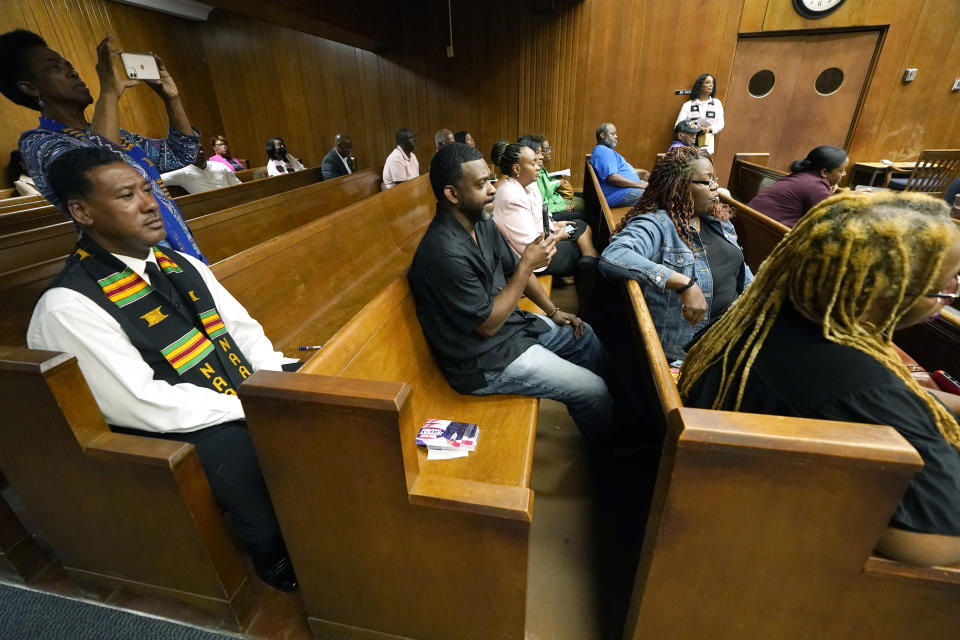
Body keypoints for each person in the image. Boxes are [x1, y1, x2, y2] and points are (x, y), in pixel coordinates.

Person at [28, 147, 299, 591]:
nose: (151, 204)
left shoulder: (181, 264)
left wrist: (273, 380)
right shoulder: (68, 305)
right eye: (126, 196)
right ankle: (274, 553)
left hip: (235, 395)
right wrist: (248, 407)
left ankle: (325, 519)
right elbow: (138, 401)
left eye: (147, 189)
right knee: (234, 448)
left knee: (319, 393)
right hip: (166, 429)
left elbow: (242, 332)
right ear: (82, 211)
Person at [679, 191, 960, 567]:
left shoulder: (759, 320)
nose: (950, 294)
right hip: (789, 568)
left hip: (726, 508)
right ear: (875, 292)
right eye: (944, 286)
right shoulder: (861, 388)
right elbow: (935, 546)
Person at [408, 143, 613, 442]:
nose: (493, 189)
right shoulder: (443, 253)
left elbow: (516, 265)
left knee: (585, 335)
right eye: (481, 184)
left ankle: (617, 410)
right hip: (484, 361)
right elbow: (488, 325)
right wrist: (525, 266)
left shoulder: (481, 222)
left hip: (512, 328)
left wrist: (554, 311)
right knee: (593, 390)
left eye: (490, 179)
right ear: (452, 194)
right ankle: (608, 461)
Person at [0, 29, 205, 261]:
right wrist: (108, 92)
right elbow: (103, 178)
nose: (72, 72)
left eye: (69, 65)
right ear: (30, 88)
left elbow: (181, 153)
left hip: (176, 249)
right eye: (54, 67)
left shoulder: (120, 137)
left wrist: (172, 99)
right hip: (129, 262)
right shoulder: (39, 144)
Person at [599, 147, 753, 363]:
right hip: (690, 348)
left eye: (714, 178)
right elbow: (615, 254)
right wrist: (684, 284)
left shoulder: (718, 220)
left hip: (733, 329)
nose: (716, 187)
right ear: (679, 186)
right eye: (707, 181)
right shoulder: (657, 224)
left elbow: (740, 270)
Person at [494, 142, 599, 312]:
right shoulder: (510, 195)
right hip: (530, 260)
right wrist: (558, 235)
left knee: (578, 226)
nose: (538, 166)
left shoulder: (529, 184)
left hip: (543, 241)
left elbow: (540, 214)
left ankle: (589, 260)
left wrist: (555, 225)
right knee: (578, 250)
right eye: (533, 163)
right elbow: (530, 247)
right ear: (516, 168)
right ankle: (588, 308)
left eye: (537, 161)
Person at [748, 145, 849, 227]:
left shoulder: (802, 175)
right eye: (841, 170)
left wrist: (826, 194)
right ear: (824, 172)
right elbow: (828, 224)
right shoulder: (816, 187)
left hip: (752, 222)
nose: (844, 174)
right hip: (768, 233)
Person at [524, 134, 584, 220]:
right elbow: (543, 204)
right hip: (551, 209)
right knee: (584, 210)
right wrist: (562, 207)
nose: (549, 152)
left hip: (554, 201)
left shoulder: (540, 168)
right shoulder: (533, 176)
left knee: (583, 203)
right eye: (545, 150)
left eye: (549, 148)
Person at [589, 123, 649, 208]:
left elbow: (624, 171)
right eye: (612, 134)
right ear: (602, 135)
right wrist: (639, 185)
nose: (616, 136)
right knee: (657, 194)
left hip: (625, 190)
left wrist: (643, 173)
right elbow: (613, 178)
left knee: (659, 192)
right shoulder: (602, 151)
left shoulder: (607, 151)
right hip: (619, 194)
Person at [160, 142, 241, 194]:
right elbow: (155, 180)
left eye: (202, 149)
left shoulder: (220, 165)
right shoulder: (183, 173)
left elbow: (238, 187)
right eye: (196, 150)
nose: (201, 152)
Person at [675, 73, 724, 155]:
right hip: (688, 148)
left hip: (707, 149)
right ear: (700, 85)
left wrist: (709, 129)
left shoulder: (717, 103)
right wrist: (693, 128)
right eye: (708, 82)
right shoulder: (688, 105)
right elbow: (678, 126)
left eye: (712, 83)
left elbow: (720, 123)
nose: (711, 85)